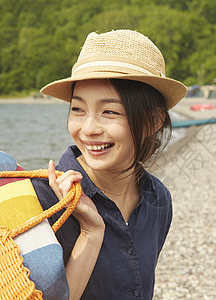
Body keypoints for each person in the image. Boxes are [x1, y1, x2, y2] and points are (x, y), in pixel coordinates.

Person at [32, 29, 187, 299]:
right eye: (78, 109)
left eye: (110, 112)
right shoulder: (43, 200)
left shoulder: (158, 198)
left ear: (153, 121)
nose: (88, 128)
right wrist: (91, 234)